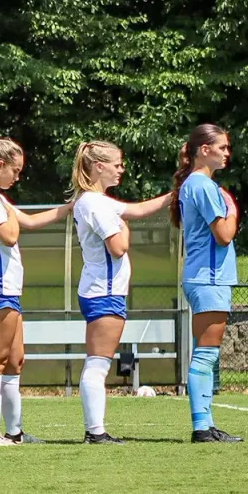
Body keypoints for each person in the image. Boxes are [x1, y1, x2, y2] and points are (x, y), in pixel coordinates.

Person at [0, 135, 72, 446]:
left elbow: (32, 221)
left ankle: (15, 432)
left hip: (7, 288)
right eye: (15, 170)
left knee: (15, 360)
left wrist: (70, 207)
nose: (18, 176)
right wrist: (8, 211)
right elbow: (10, 234)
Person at [69, 141, 171, 444]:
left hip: (101, 289)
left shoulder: (97, 200)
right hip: (104, 291)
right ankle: (95, 432)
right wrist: (123, 228)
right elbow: (118, 246)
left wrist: (174, 195)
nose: (121, 169)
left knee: (97, 362)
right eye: (117, 164)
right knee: (98, 363)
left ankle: (95, 430)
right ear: (99, 166)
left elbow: (138, 210)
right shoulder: (94, 203)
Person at [173, 124, 242, 443]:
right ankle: (202, 427)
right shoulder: (202, 185)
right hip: (209, 279)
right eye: (223, 147)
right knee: (206, 354)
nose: (227, 153)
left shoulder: (194, 184)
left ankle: (206, 424)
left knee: (205, 352)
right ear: (205, 150)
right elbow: (224, 235)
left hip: (201, 277)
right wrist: (233, 210)